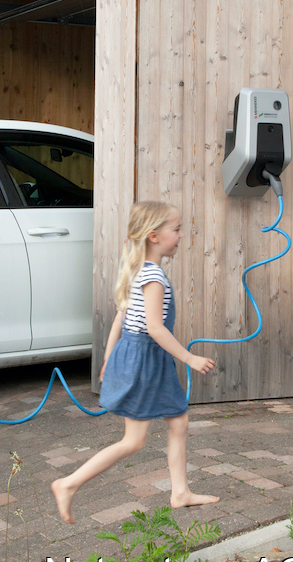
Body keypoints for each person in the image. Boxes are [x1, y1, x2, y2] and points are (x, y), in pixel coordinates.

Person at [51, 201, 219, 524]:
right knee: (133, 441)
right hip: (146, 359)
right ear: (154, 236)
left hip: (139, 356)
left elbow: (121, 318)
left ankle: (180, 492)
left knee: (179, 421)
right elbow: (154, 327)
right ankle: (68, 484)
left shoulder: (137, 266)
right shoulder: (152, 275)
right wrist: (189, 358)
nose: (182, 235)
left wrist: (108, 357)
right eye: (177, 229)